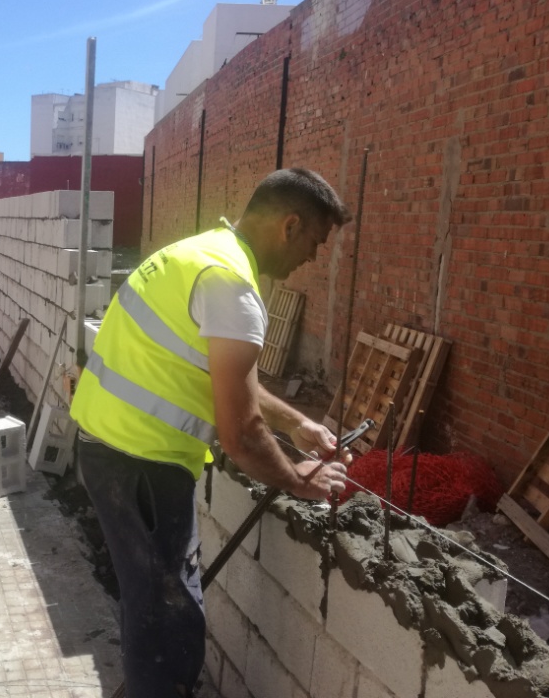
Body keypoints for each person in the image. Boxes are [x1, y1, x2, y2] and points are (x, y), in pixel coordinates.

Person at [69, 167, 353, 698]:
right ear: (290, 225)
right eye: (315, 241)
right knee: (169, 626)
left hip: (108, 448)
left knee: (150, 606)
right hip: (145, 466)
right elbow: (241, 434)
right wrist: (300, 479)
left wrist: (297, 422)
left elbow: (221, 376)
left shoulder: (197, 254)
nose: (314, 258)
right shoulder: (232, 287)